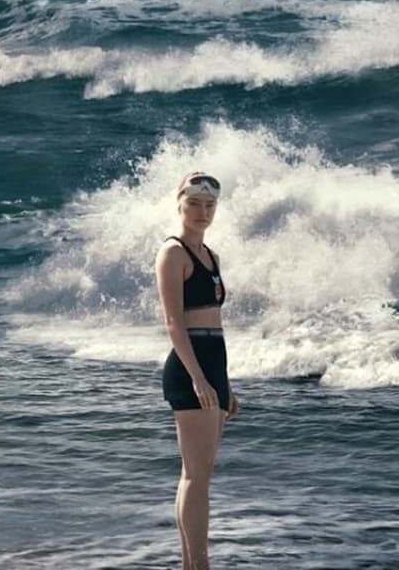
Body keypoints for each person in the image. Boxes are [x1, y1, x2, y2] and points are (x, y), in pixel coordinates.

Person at [155, 171, 239, 570]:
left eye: (210, 206)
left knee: (197, 474)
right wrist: (199, 379)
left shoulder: (212, 256)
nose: (202, 212)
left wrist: (224, 383)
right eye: (195, 204)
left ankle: (191, 564)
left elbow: (215, 326)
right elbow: (174, 323)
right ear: (180, 204)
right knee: (196, 477)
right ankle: (198, 565)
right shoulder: (172, 253)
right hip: (190, 366)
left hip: (213, 364)